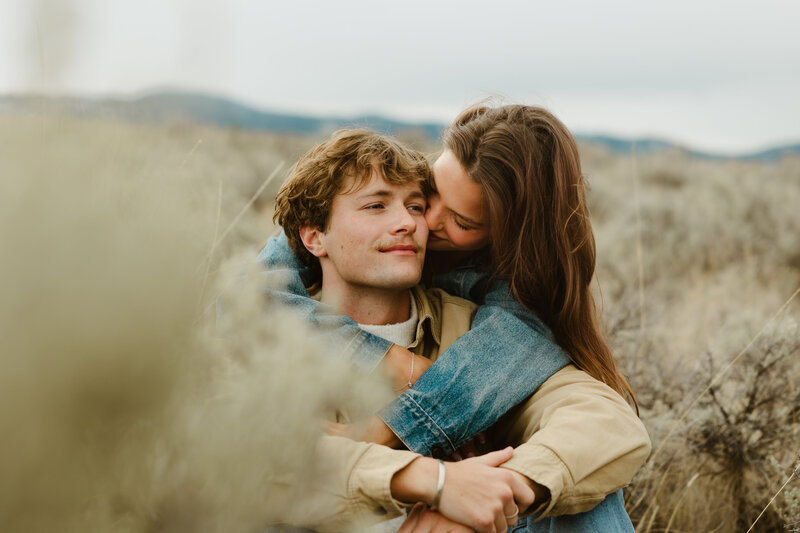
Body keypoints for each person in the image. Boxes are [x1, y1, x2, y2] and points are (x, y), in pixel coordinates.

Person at [259, 127, 649, 532]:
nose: (413, 222)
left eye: (414, 204)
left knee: (577, 493)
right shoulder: (261, 326)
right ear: (313, 236)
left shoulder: (483, 334)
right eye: (376, 205)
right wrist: (437, 483)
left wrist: (499, 491)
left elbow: (603, 418)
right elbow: (250, 460)